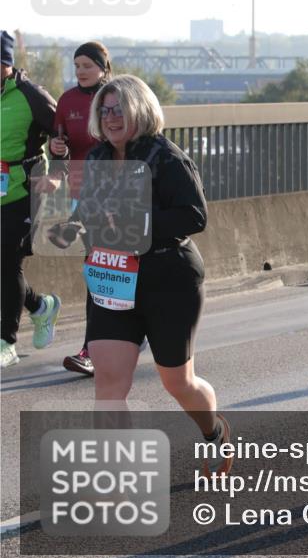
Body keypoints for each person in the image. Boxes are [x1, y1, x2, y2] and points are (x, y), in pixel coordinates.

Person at [49, 74, 233, 474]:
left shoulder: (166, 157)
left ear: (141, 110)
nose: (112, 117)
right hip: (113, 276)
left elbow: (194, 215)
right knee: (109, 386)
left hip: (168, 277)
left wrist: (137, 223)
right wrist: (65, 228)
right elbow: (90, 212)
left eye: (120, 108)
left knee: (177, 383)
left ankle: (213, 431)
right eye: (105, 109)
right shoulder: (96, 158)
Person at [47, 42, 113, 376]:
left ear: (103, 66)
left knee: (117, 268)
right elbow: (59, 145)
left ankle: (128, 331)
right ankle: (93, 349)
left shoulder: (117, 97)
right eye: (76, 65)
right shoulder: (68, 101)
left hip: (119, 197)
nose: (80, 71)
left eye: (87, 64)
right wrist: (56, 147)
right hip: (81, 196)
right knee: (97, 271)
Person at [1, 29, 61, 369]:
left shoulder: (30, 95)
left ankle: (6, 341)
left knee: (8, 262)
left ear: (7, 63)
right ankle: (41, 307)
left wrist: (56, 175)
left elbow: (62, 132)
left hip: (24, 190)